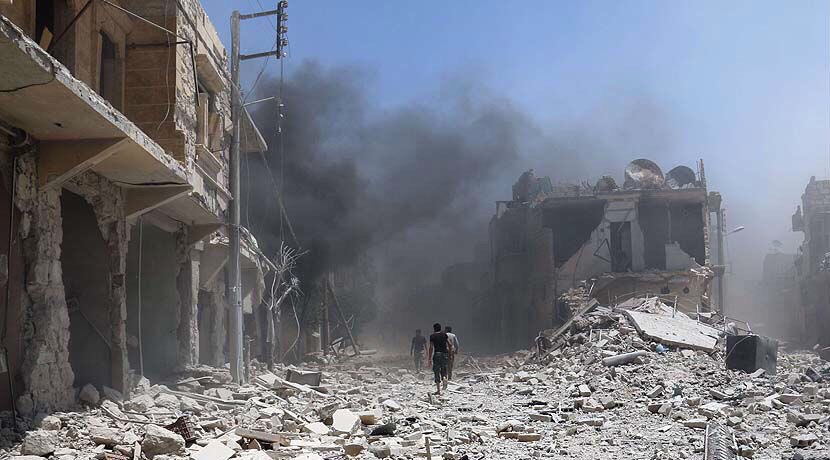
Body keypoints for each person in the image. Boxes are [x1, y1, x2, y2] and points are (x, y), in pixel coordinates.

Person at [426, 322, 452, 394]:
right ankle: (444, 378)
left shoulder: (432, 336)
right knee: (444, 368)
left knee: (436, 371)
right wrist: (449, 354)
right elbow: (450, 344)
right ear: (440, 328)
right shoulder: (444, 335)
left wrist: (429, 358)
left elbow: (431, 347)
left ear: (434, 329)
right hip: (445, 354)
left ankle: (438, 390)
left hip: (437, 354)